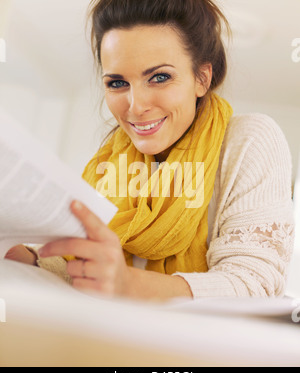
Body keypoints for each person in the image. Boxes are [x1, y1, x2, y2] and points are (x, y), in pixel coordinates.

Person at [5, 0, 295, 300]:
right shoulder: (110, 159)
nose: (136, 106)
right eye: (117, 83)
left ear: (202, 78)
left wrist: (128, 284)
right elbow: (83, 266)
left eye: (159, 77)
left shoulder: (249, 140)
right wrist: (20, 254)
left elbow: (255, 284)